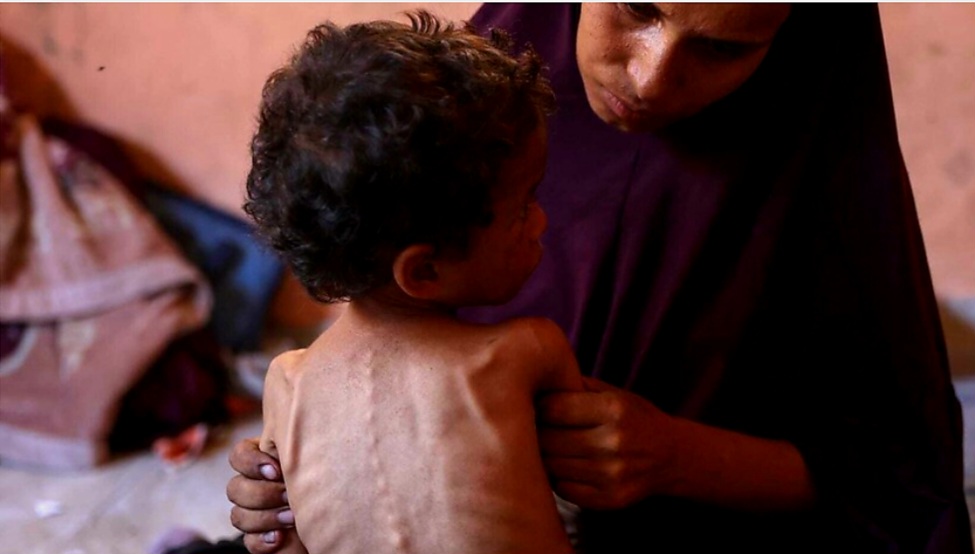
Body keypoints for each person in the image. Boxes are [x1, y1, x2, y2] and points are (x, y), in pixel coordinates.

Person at [228, 4, 974, 553]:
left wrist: (679, 455)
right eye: (636, 8)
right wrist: (291, 492)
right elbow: (383, 311)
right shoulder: (471, 119)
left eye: (721, 47)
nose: (649, 79)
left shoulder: (817, 167)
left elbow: (901, 486)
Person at [240, 11, 586, 554]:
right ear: (423, 271)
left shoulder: (287, 384)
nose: (542, 222)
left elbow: (277, 540)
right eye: (525, 206)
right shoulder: (524, 353)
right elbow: (591, 491)